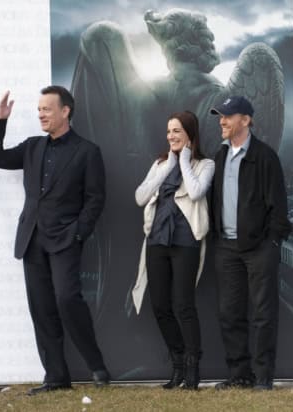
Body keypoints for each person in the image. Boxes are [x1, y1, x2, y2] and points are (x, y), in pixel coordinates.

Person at [0, 86, 110, 395]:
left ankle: (96, 364)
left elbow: (95, 199)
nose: (41, 113)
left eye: (47, 109)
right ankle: (56, 377)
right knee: (41, 309)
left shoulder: (87, 151)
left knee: (67, 299)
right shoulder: (32, 147)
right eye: (39, 109)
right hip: (32, 240)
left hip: (66, 239)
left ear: (65, 111)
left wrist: (79, 232)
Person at [208, 96, 291, 390]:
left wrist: (271, 243)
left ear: (246, 120)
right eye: (220, 116)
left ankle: (263, 377)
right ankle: (239, 376)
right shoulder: (217, 157)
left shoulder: (265, 157)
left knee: (263, 313)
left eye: (228, 116)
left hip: (259, 249)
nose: (222, 120)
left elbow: (279, 209)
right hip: (226, 248)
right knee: (229, 314)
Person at [132, 111, 214, 390]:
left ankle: (193, 370)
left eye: (177, 131)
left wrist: (183, 161)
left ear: (190, 133)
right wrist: (167, 167)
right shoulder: (159, 164)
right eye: (169, 131)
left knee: (183, 305)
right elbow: (140, 197)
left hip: (185, 242)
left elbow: (195, 192)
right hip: (157, 241)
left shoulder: (205, 164)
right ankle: (177, 365)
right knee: (160, 306)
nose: (171, 136)